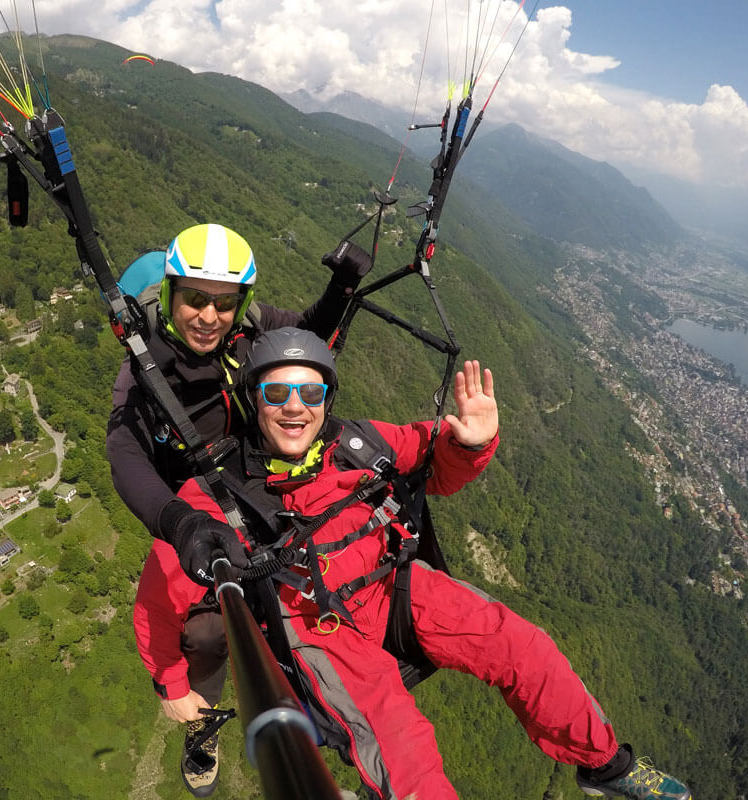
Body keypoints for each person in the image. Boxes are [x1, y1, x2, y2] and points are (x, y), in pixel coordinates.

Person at [133, 326, 692, 800]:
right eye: (277, 393)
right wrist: (174, 682)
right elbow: (161, 593)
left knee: (521, 646)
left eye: (310, 391)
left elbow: (436, 465)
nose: (296, 407)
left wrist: (470, 443)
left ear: (328, 396)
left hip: (391, 587)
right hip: (315, 626)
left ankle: (606, 764)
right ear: (254, 400)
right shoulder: (219, 493)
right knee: (403, 755)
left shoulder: (359, 442)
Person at [107, 223, 370, 795]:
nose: (208, 315)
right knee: (205, 633)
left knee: (317, 585)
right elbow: (124, 451)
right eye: (195, 299)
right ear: (171, 296)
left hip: (259, 477)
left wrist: (342, 286)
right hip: (200, 504)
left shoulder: (249, 326)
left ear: (241, 303)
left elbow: (304, 336)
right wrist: (179, 522)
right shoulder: (146, 365)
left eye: (223, 303)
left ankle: (335, 713)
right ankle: (202, 725)